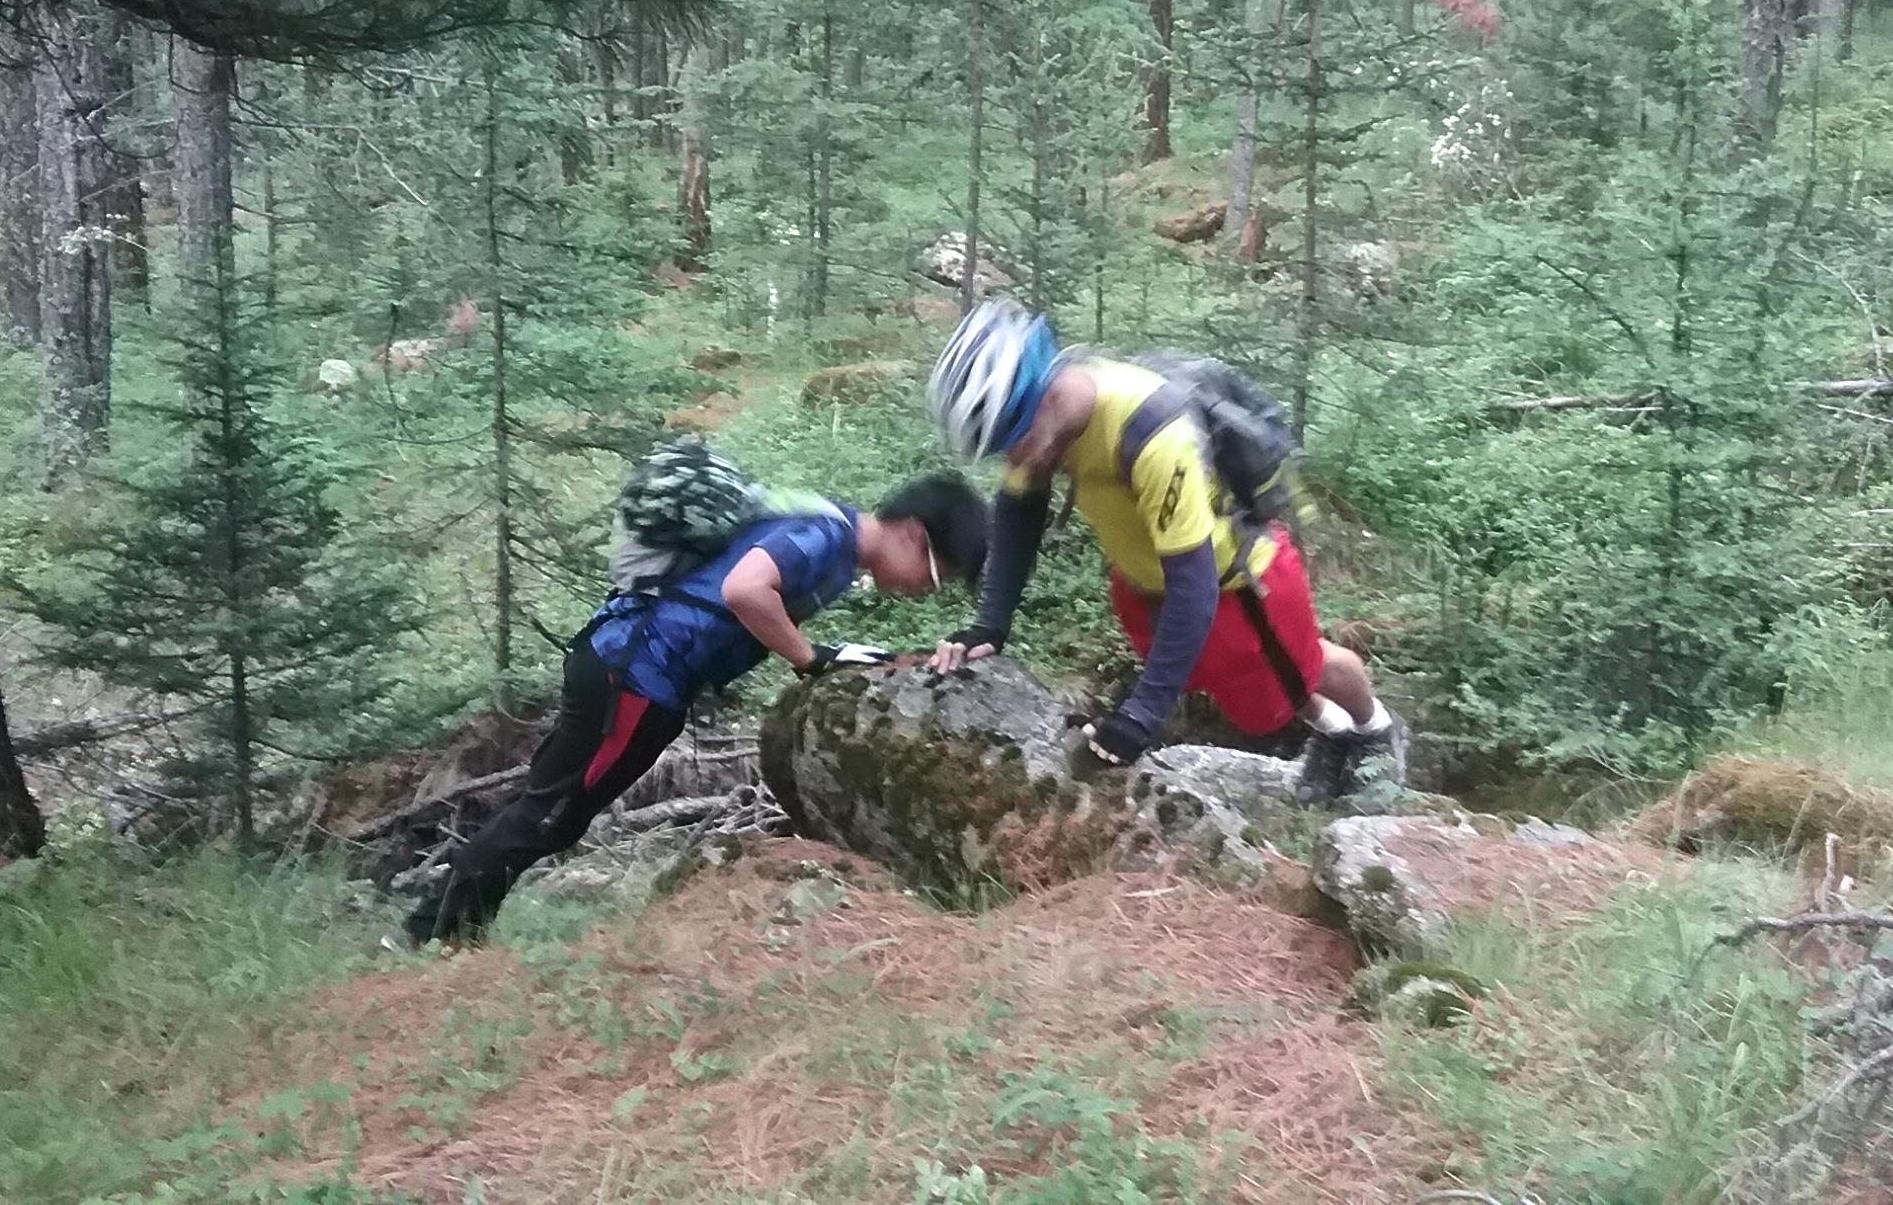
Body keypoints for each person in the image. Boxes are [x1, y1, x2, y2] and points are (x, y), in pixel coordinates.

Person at [399, 473, 987, 946]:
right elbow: (745, 589)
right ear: (913, 535)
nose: (925, 590)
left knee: (554, 811)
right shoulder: (826, 538)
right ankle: (430, 932)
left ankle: (454, 930)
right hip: (634, 675)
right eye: (937, 576)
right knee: (552, 814)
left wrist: (851, 657)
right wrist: (807, 659)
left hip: (626, 666)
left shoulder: (828, 533)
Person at [923, 301, 1399, 799]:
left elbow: (1194, 584)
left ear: (1047, 397)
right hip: (1153, 583)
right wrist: (991, 624)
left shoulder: (1151, 432)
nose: (1012, 456)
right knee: (1261, 697)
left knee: (1305, 671)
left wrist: (1142, 713)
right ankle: (1334, 732)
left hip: (1239, 583)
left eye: (1013, 438)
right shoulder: (1043, 422)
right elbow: (1018, 512)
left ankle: (1374, 730)